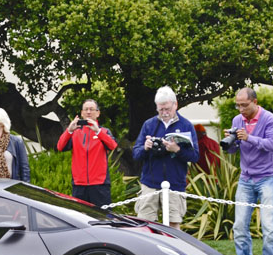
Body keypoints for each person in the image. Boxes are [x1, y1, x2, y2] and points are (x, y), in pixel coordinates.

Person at [223, 87, 273, 255]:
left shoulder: (270, 119)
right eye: (238, 106)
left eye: (244, 105)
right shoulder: (237, 120)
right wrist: (230, 142)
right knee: (239, 226)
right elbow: (234, 150)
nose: (241, 110)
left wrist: (249, 138)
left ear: (255, 102)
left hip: (267, 178)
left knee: (269, 226)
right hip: (245, 178)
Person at [132, 86, 199, 229]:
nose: (164, 113)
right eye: (161, 109)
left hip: (175, 183)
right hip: (150, 182)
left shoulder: (186, 125)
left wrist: (177, 150)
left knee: (173, 226)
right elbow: (136, 154)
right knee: (145, 225)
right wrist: (146, 147)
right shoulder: (149, 125)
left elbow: (195, 156)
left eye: (167, 109)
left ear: (175, 104)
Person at [57, 99, 117, 206]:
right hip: (79, 185)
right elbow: (60, 146)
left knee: (103, 218)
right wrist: (69, 130)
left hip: (100, 185)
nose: (88, 112)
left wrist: (97, 131)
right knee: (79, 218)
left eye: (92, 109)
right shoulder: (75, 132)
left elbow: (112, 146)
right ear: (81, 113)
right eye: (86, 109)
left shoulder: (104, 131)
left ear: (98, 113)